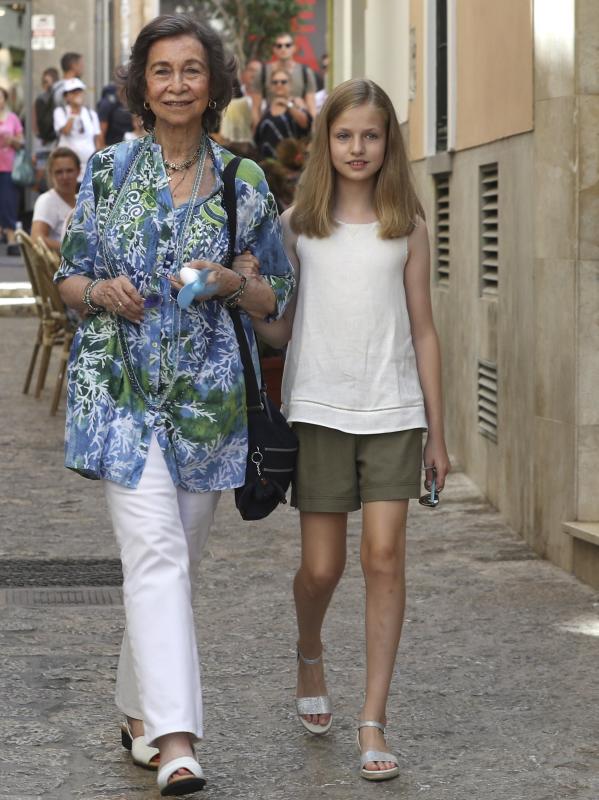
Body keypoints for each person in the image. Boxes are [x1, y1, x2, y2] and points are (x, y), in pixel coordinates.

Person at [55, 14, 294, 797]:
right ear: (142, 86)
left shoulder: (244, 181)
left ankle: (134, 707)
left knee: (172, 565)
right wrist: (99, 291)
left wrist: (230, 281)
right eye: (163, 72)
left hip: (206, 401)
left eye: (191, 71)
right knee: (154, 554)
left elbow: (276, 304)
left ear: (213, 83)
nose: (177, 85)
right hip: (120, 391)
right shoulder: (106, 171)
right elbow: (68, 279)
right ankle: (176, 740)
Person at [251, 78, 451, 782]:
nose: (357, 148)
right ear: (324, 143)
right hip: (318, 411)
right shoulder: (296, 226)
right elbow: (279, 326)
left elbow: (423, 331)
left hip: (393, 411)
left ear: (387, 141)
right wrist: (242, 297)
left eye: (370, 135)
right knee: (322, 569)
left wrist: (437, 431)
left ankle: (372, 718)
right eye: (344, 135)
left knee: (384, 559)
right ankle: (310, 645)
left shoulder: (408, 226)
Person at [249, 33, 317, 132]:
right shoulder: (263, 72)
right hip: (271, 126)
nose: (283, 49)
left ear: (294, 48)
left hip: (298, 127)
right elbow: (255, 108)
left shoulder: (305, 72)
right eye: (279, 46)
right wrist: (259, 131)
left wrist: (313, 132)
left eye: (287, 45)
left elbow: (311, 106)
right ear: (274, 49)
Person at [254, 69, 311, 159]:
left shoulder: (297, 102)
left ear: (290, 85)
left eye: (283, 82)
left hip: (291, 162)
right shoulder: (267, 107)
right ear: (271, 86)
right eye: (275, 82)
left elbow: (306, 124)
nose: (279, 85)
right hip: (267, 162)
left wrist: (287, 104)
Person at [31, 147, 79, 252]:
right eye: (59, 172)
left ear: (78, 171)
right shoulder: (46, 201)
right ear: (51, 175)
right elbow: (37, 239)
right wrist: (71, 252)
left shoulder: (83, 200)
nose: (65, 176)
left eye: (69, 171)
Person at [53, 78, 100, 182]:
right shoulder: (61, 112)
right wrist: (74, 112)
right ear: (66, 96)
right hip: (68, 172)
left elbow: (97, 139)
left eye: (79, 91)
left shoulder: (91, 114)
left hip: (88, 170)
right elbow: (65, 131)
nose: (77, 94)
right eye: (73, 92)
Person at [0, 84, 24, 255]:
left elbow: (21, 142)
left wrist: (12, 141)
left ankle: (10, 238)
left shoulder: (13, 118)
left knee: (8, 201)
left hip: (8, 166)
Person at [33, 67, 60, 186]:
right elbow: (35, 123)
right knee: (40, 174)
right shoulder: (40, 99)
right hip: (43, 142)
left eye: (48, 82)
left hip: (55, 141)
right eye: (44, 82)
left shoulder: (59, 98)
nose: (46, 86)